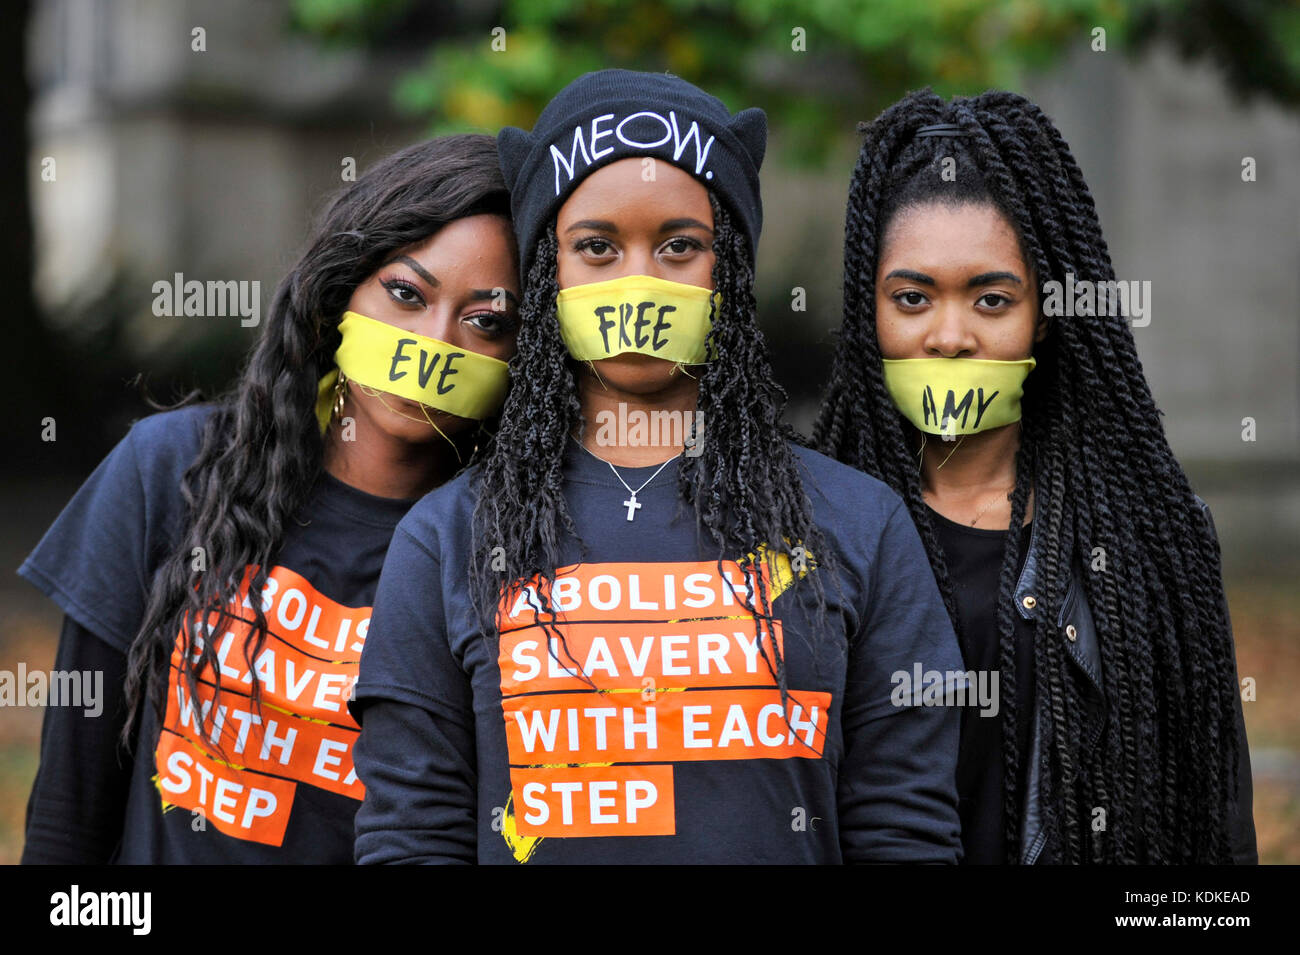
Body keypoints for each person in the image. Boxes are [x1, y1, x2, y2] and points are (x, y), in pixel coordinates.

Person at [351, 69, 964, 864]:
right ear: (548, 272)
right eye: (597, 247)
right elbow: (412, 837)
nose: (637, 283)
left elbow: (904, 829)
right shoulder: (446, 535)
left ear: (730, 270)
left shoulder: (860, 522)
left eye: (680, 246)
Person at [19, 134, 521, 863]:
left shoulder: (500, 550)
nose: (433, 344)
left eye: (487, 323)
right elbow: (69, 813)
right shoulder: (170, 471)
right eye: (406, 294)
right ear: (341, 288)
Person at [813, 89, 1256, 864]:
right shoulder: (806, 522)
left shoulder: (1151, 538)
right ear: (869, 307)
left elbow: (1211, 828)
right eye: (912, 298)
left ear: (1044, 313)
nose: (950, 336)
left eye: (992, 298)